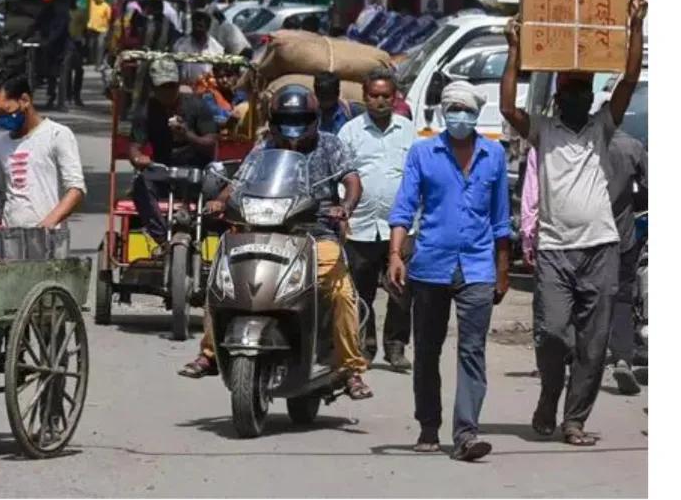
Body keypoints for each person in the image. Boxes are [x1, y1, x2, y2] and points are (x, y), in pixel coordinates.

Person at [499, 0, 646, 447]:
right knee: (553, 335)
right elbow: (507, 108)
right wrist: (514, 49)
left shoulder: (602, 127)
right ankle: (549, 394)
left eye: (583, 89)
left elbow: (627, 81)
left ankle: (575, 419)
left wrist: (636, 24)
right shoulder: (544, 129)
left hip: (600, 246)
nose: (577, 97)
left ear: (589, 95)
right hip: (556, 250)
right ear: (559, 95)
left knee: (593, 342)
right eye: (569, 89)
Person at [179, 85, 373, 400]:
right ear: (273, 121)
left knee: (339, 289)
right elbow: (239, 181)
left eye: (300, 119)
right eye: (285, 120)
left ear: (313, 119)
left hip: (315, 232)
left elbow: (351, 180)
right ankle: (210, 353)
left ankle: (351, 368)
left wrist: (345, 206)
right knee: (221, 282)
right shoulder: (263, 148)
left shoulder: (331, 146)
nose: (292, 127)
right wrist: (220, 200)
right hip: (264, 228)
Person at [0, 72, 87, 442]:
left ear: (25, 101)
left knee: (48, 338)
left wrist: (48, 223)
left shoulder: (57, 136)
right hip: (7, 245)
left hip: (45, 247)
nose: (2, 119)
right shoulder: (0, 146)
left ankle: (51, 418)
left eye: (6, 110)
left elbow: (76, 188)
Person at [387, 80, 510, 462]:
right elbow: (404, 208)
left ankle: (466, 434)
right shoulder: (423, 153)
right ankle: (428, 423)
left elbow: (501, 219)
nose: (459, 116)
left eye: (466, 110)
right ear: (443, 112)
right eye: (453, 108)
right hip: (430, 266)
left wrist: (502, 270)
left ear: (476, 114)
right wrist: (395, 254)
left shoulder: (494, 155)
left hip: (477, 267)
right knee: (426, 348)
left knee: (472, 350)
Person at [519, 128, 648, 396]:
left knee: (576, 303)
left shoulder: (570, 147)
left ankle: (570, 356)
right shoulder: (632, 146)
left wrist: (529, 234)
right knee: (620, 298)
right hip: (620, 236)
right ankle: (621, 356)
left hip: (575, 238)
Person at [337, 68, 414, 370]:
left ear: (394, 98)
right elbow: (339, 177)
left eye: (386, 96)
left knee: (401, 288)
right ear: (365, 97)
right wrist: (342, 212)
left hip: (400, 224)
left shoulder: (408, 130)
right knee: (361, 291)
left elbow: (417, 175)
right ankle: (364, 346)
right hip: (361, 226)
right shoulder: (351, 132)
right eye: (374, 96)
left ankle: (395, 348)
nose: (380, 101)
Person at [129, 57, 218, 245]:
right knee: (140, 184)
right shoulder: (146, 111)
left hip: (197, 172)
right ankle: (161, 238)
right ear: (154, 88)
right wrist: (138, 158)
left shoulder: (197, 105)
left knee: (223, 193)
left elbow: (211, 142)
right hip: (165, 171)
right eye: (162, 87)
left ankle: (202, 236)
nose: (168, 92)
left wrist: (187, 135)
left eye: (172, 86)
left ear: (179, 84)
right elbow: (135, 146)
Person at [172, 11, 225, 84]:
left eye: (202, 23)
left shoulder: (217, 49)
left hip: (208, 91)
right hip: (184, 90)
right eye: (196, 20)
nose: (199, 23)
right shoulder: (180, 45)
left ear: (208, 26)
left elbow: (219, 74)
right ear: (192, 23)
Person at [66, 0, 88, 108]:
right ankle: (68, 96)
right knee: (68, 71)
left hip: (77, 44)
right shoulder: (65, 12)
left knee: (78, 70)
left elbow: (85, 29)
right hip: (68, 43)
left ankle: (76, 96)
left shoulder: (81, 12)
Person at [86, 0, 112, 68]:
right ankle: (93, 61)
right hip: (92, 29)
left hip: (102, 30)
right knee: (91, 46)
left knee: (100, 46)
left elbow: (109, 19)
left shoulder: (106, 6)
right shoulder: (92, 3)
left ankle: (98, 64)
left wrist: (108, 30)